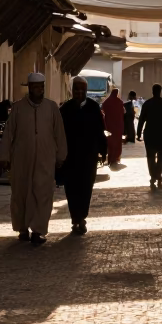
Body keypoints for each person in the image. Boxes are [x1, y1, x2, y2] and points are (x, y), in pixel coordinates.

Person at [0, 73, 68, 246]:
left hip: (45, 158)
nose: (40, 90)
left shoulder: (51, 108)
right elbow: (8, 134)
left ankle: (38, 231)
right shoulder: (18, 108)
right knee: (21, 193)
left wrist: (61, 156)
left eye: (42, 86)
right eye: (36, 87)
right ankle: (22, 228)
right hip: (21, 160)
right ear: (29, 88)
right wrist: (4, 156)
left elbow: (59, 133)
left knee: (43, 193)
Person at [59, 77, 107, 235]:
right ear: (72, 91)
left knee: (86, 187)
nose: (79, 93)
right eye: (76, 90)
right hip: (70, 157)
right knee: (71, 188)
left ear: (86, 91)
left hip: (89, 156)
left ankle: (82, 217)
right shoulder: (65, 109)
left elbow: (101, 130)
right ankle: (75, 218)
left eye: (82, 91)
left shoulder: (93, 107)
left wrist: (103, 150)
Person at [136, 84, 162, 189]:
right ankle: (158, 175)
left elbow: (141, 120)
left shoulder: (147, 104)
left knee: (150, 157)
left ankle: (154, 176)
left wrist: (138, 133)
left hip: (150, 135)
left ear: (152, 91)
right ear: (160, 91)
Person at [101, 88, 125, 166]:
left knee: (110, 142)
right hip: (118, 126)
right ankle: (115, 158)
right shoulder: (120, 102)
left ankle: (110, 158)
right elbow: (123, 112)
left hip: (109, 125)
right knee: (117, 142)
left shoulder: (107, 101)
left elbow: (102, 109)